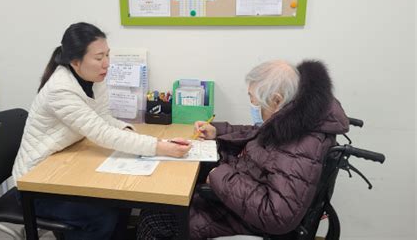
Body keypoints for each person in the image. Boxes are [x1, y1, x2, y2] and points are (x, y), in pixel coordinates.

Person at [11, 22, 191, 240]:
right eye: (98, 58)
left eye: (107, 55)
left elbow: (104, 118)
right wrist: (158, 147)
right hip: (37, 183)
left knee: (120, 203)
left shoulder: (93, 78)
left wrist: (135, 136)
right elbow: (101, 133)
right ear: (75, 61)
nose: (107, 63)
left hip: (64, 163)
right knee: (102, 217)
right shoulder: (60, 89)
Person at [137, 59, 349, 239]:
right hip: (238, 196)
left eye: (253, 100)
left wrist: (218, 176)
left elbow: (276, 215)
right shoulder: (295, 120)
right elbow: (257, 132)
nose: (252, 105)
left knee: (153, 218)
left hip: (244, 217)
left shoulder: (300, 145)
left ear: (276, 101)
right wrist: (217, 131)